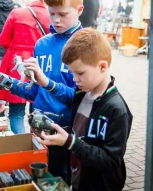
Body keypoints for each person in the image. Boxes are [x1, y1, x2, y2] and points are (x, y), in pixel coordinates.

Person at [0, 0, 84, 181]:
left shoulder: (84, 45)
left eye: (63, 14)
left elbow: (81, 99)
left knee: (60, 181)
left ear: (80, 10)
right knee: (39, 180)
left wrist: (48, 83)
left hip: (65, 135)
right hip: (38, 130)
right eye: (52, 13)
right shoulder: (42, 44)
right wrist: (7, 82)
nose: (56, 20)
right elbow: (33, 92)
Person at [37, 28, 133, 191]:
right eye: (73, 73)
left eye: (80, 73)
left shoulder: (117, 110)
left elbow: (110, 161)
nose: (74, 79)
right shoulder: (82, 93)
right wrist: (59, 135)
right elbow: (80, 133)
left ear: (103, 67)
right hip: (79, 179)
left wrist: (69, 142)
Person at [0, 0, 50, 133]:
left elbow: (3, 40)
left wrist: (16, 48)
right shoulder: (51, 15)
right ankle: (37, 146)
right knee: (39, 113)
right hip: (41, 65)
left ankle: (24, 148)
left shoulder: (17, 13)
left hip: (17, 65)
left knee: (16, 113)